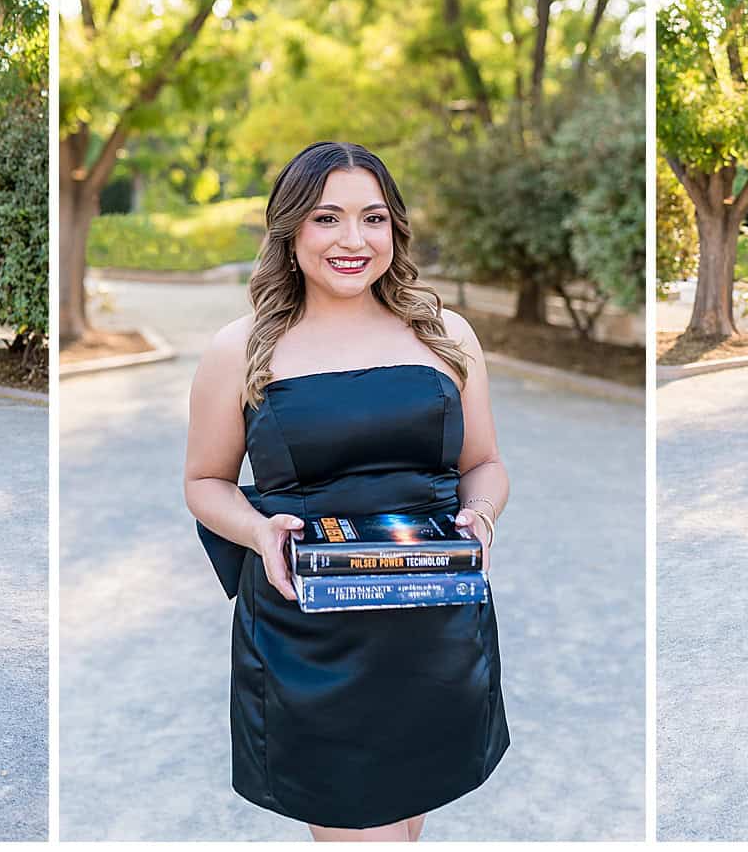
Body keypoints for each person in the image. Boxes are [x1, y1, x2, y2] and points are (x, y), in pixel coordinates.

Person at [184, 141, 510, 840]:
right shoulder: (240, 349)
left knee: (404, 827)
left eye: (374, 218)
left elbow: (484, 464)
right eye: (327, 219)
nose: (354, 241)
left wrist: (480, 514)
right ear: (291, 228)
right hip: (309, 632)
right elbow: (205, 482)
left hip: (431, 623)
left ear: (395, 228)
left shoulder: (446, 335)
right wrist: (256, 530)